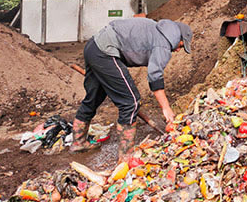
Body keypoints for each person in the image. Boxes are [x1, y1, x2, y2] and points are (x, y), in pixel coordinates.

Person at [69, 17, 192, 161]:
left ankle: (78, 142)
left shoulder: (156, 30)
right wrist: (166, 108)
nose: (178, 50)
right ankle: (126, 157)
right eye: (181, 45)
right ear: (177, 37)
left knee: (94, 97)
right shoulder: (164, 44)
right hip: (106, 52)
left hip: (94, 47)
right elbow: (154, 76)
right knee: (130, 102)